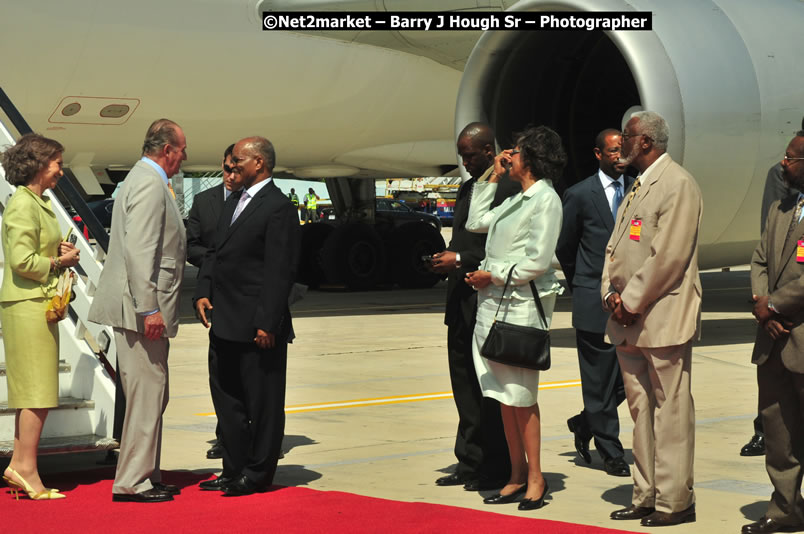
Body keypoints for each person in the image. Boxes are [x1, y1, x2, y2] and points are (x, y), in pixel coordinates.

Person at [602, 111, 702, 527]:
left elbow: (670, 255)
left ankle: (675, 500)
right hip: (628, 319)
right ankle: (645, 494)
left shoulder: (677, 184)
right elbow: (615, 247)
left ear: (645, 142)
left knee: (670, 410)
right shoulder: (638, 185)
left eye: (626, 136)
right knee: (641, 410)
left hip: (661, 315)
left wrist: (633, 299)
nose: (620, 143)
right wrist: (610, 292)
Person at [464, 125, 565, 511]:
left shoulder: (545, 200)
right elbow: (476, 221)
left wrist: (496, 275)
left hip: (520, 307)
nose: (510, 156)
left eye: (517, 152)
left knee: (522, 397)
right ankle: (516, 474)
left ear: (533, 159)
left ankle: (536, 477)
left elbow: (538, 261)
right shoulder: (517, 199)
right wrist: (492, 174)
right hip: (493, 306)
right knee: (505, 398)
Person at [88, 118, 188, 503]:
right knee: (148, 393)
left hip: (138, 307)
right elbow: (141, 250)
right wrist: (149, 308)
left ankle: (145, 473)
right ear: (167, 151)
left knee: (151, 393)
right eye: (182, 151)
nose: (183, 158)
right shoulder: (148, 183)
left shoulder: (140, 178)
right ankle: (132, 480)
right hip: (141, 309)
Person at [194, 136, 300, 496]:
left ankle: (257, 475)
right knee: (227, 400)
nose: (232, 165)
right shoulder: (234, 202)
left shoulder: (278, 207)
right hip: (224, 321)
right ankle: (233, 468)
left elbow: (278, 270)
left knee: (264, 404)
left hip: (257, 326)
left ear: (259, 163)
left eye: (238, 160)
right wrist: (202, 292)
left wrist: (267, 322)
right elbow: (214, 253)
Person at [429, 122, 519, 491]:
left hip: (486, 300)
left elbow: (501, 244)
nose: (464, 161)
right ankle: (469, 461)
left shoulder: (507, 188)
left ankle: (495, 466)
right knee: (463, 386)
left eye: (470, 154)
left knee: (487, 390)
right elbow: (464, 235)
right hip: (460, 301)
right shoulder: (468, 187)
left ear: (488, 151)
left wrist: (462, 259)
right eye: (462, 154)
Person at [0, 133, 80, 500]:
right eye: (57, 164)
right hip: (27, 305)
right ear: (39, 164)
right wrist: (57, 261)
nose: (60, 171)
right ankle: (26, 469)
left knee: (37, 391)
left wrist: (59, 252)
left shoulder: (36, 202)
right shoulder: (23, 204)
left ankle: (22, 464)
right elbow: (21, 260)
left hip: (38, 304)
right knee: (35, 392)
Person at [556, 129, 632, 477]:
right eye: (613, 151)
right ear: (598, 154)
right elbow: (565, 247)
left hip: (632, 300)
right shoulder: (579, 195)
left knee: (626, 380)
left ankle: (586, 422)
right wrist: (583, 285)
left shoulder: (638, 190)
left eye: (623, 150)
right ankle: (610, 450)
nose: (620, 156)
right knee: (598, 380)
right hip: (592, 299)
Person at [743, 131, 804, 534]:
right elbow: (759, 259)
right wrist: (763, 305)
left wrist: (776, 304)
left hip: (799, 333)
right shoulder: (781, 209)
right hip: (774, 337)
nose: (783, 164)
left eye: (791, 158)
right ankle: (785, 510)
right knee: (778, 430)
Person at [186, 143, 243, 460]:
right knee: (223, 374)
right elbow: (191, 245)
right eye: (226, 169)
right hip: (218, 299)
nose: (231, 175)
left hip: (248, 298)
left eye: (237, 169)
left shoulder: (256, 202)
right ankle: (227, 435)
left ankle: (256, 437)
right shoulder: (203, 201)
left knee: (253, 375)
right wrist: (215, 260)